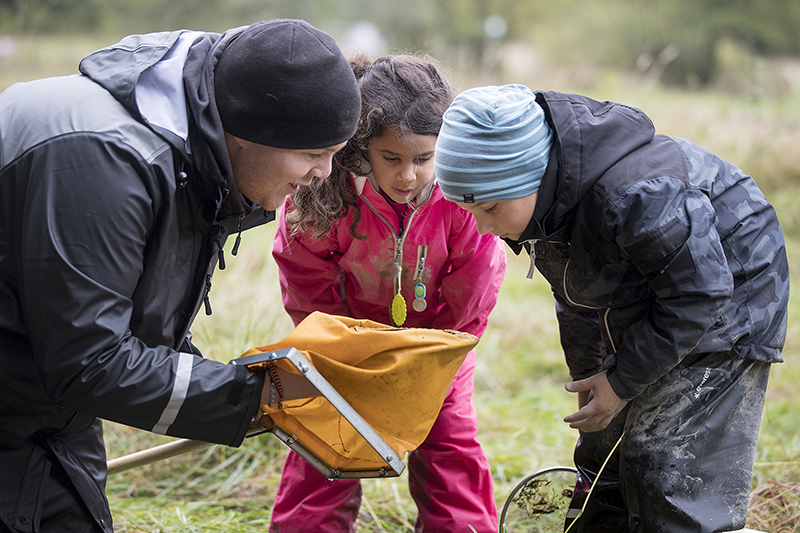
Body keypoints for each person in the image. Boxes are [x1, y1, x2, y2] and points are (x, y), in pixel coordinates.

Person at [0, 19, 361, 533]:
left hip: (48, 409)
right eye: (312, 153)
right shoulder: (107, 160)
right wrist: (259, 397)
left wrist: (272, 386)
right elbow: (88, 362)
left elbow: (130, 339)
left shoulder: (195, 156)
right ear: (245, 132)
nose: (324, 173)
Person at [433, 84, 789, 533]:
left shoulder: (635, 197)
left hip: (729, 299)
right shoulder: (544, 208)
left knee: (662, 464)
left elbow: (699, 293)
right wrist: (594, 376)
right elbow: (580, 299)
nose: (483, 227)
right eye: (468, 210)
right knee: (602, 457)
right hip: (649, 298)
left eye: (488, 207)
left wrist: (621, 380)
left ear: (533, 176)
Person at [270, 55, 507, 533]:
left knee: (450, 450)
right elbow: (304, 279)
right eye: (392, 159)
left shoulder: (465, 197)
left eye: (423, 159)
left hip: (437, 354)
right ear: (361, 150)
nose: (408, 177)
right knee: (323, 442)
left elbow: (475, 288)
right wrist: (350, 353)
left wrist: (431, 358)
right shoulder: (324, 195)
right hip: (345, 352)